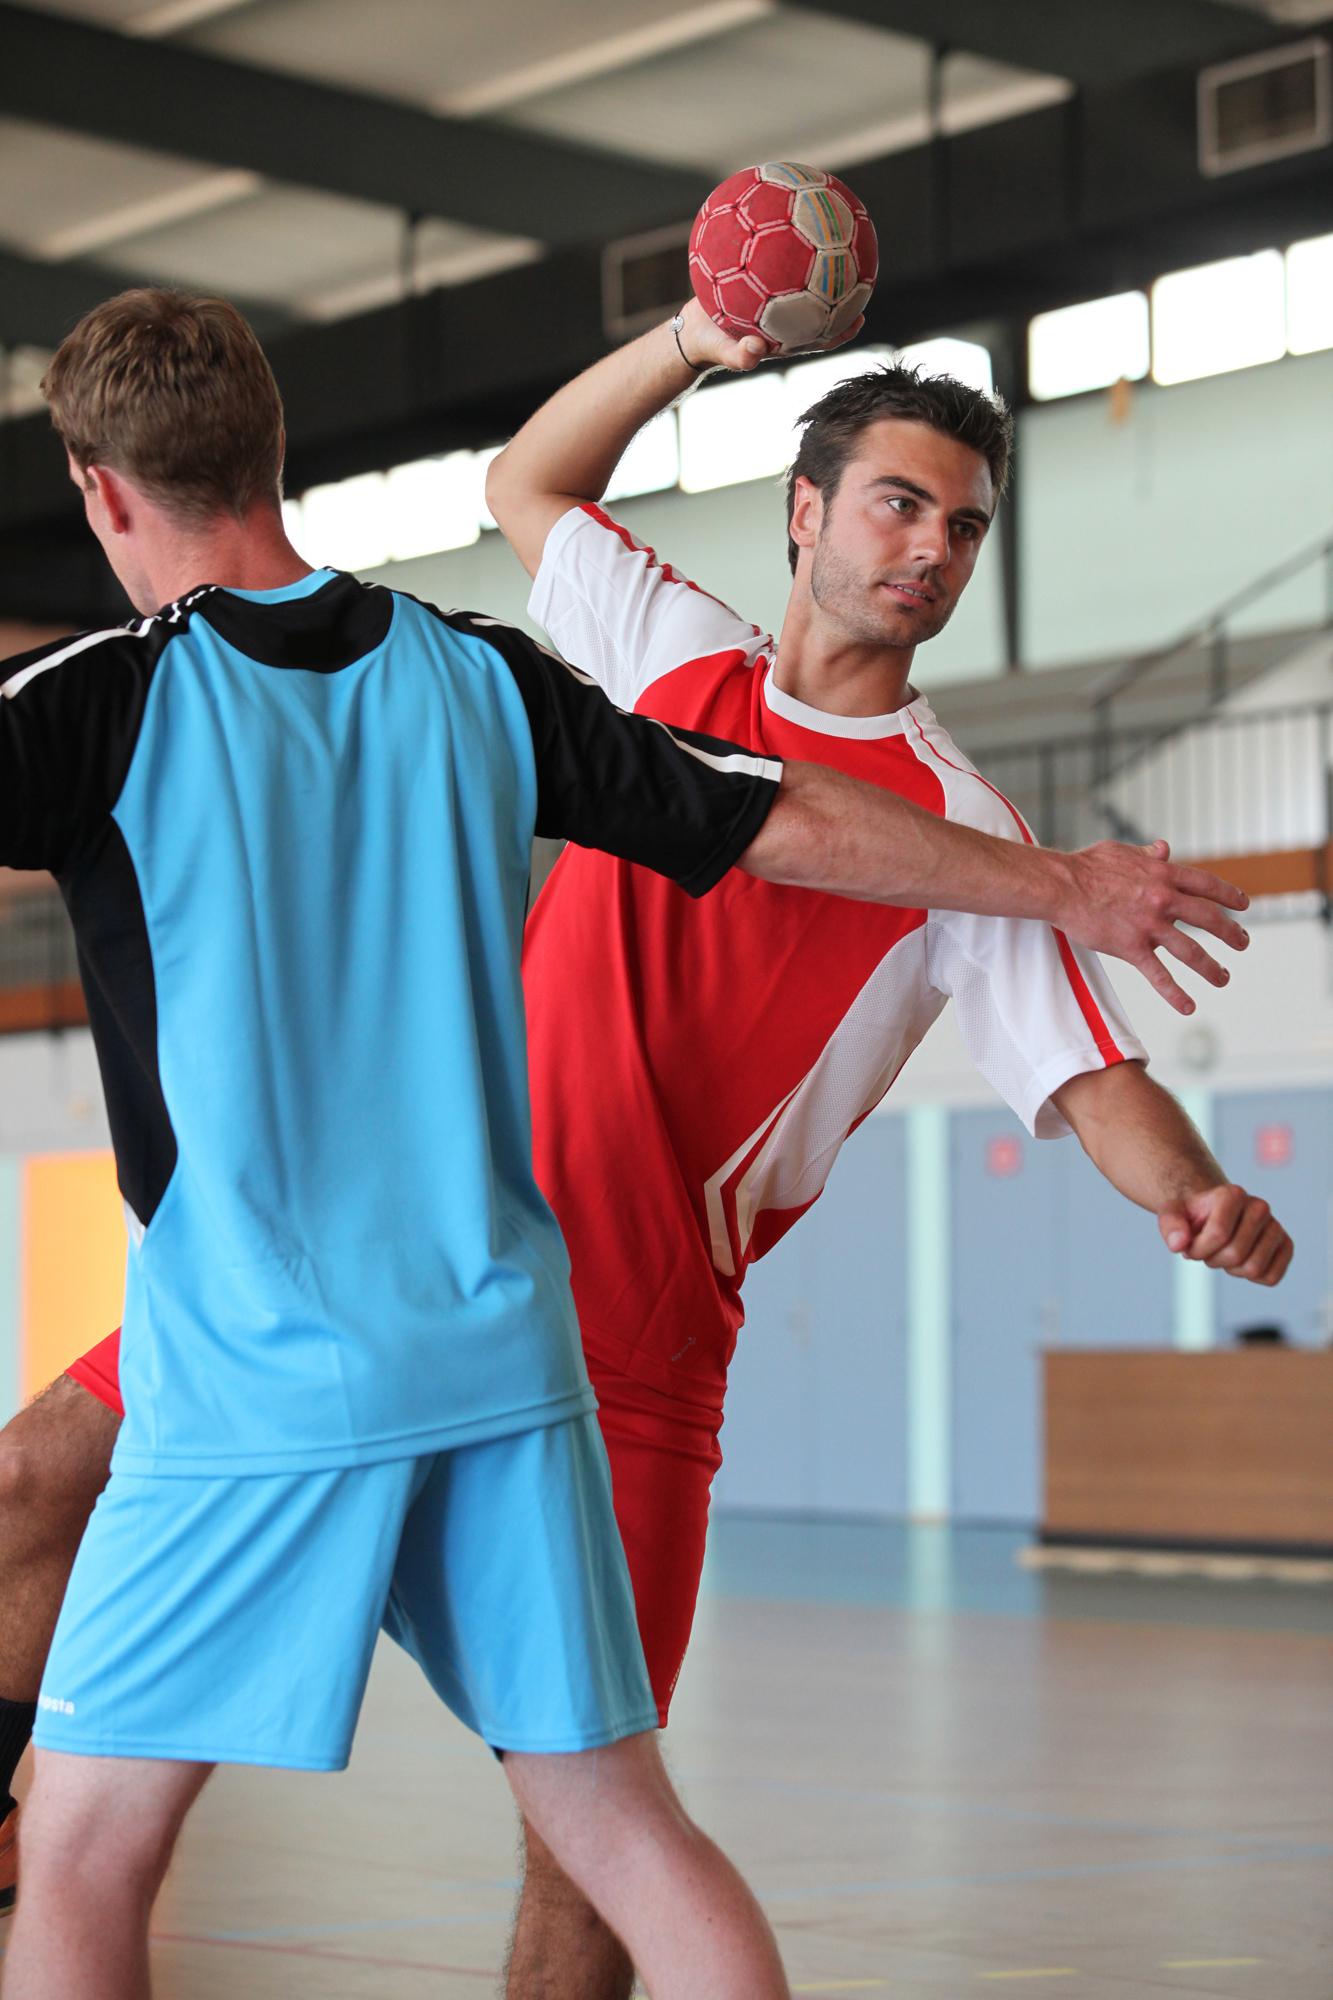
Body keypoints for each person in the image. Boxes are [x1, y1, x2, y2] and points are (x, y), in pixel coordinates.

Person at [0, 291, 1268, 1991]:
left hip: (576, 1344)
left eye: (964, 526)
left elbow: (1069, 1056)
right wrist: (697, 335)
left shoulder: (960, 826)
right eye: (897, 502)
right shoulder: (623, 652)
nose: (930, 547)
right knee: (35, 1488)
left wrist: (1184, 1176)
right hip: (457, 1283)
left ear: (100, 488)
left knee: (547, 1868)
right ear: (802, 510)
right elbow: (539, 484)